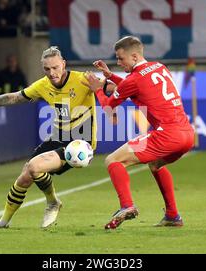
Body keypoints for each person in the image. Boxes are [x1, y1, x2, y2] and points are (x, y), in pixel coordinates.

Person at [0, 46, 99, 229]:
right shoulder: (43, 85)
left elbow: (113, 88)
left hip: (80, 143)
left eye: (55, 67)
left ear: (63, 64)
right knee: (25, 175)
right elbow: (13, 98)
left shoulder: (82, 79)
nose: (52, 73)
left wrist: (111, 102)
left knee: (35, 166)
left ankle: (53, 202)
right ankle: (3, 222)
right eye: (47, 69)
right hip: (58, 137)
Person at [83, 36, 194, 229]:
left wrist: (97, 90)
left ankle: (126, 205)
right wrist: (110, 76)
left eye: (120, 58)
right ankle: (173, 215)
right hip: (186, 134)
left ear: (134, 56)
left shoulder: (134, 79)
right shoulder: (159, 67)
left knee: (113, 160)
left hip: (166, 135)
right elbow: (135, 85)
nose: (118, 63)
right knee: (155, 165)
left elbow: (109, 107)